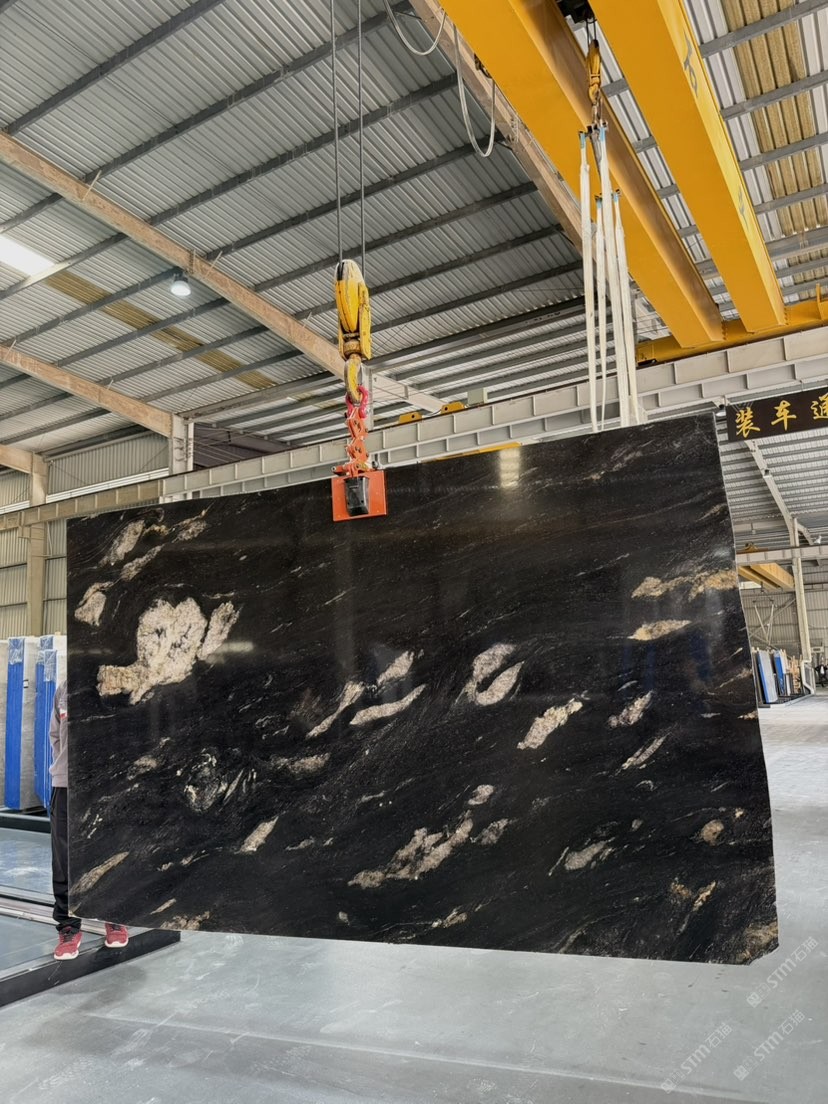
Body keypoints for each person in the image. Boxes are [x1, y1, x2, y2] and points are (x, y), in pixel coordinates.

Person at [49, 680, 130, 960]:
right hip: (66, 784)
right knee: (64, 858)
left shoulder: (114, 680)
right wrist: (64, 767)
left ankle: (114, 916)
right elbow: (55, 735)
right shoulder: (64, 689)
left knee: (110, 847)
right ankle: (68, 926)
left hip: (107, 781)